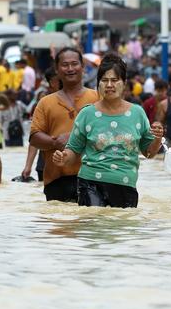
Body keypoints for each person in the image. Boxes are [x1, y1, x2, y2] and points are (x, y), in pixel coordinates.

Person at [53, 54, 163, 208]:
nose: (109, 85)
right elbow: (74, 149)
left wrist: (157, 139)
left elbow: (149, 154)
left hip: (126, 185)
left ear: (124, 83)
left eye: (114, 80)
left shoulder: (137, 113)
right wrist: (64, 157)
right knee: (94, 223)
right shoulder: (87, 114)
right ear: (98, 84)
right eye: (104, 80)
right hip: (90, 183)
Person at [28, 48, 99, 202]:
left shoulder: (98, 98)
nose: (70, 69)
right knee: (60, 224)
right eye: (65, 65)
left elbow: (109, 134)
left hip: (93, 178)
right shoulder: (45, 102)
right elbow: (34, 137)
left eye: (74, 64)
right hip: (56, 179)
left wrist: (76, 140)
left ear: (83, 67)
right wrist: (55, 142)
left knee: (91, 223)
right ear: (57, 70)